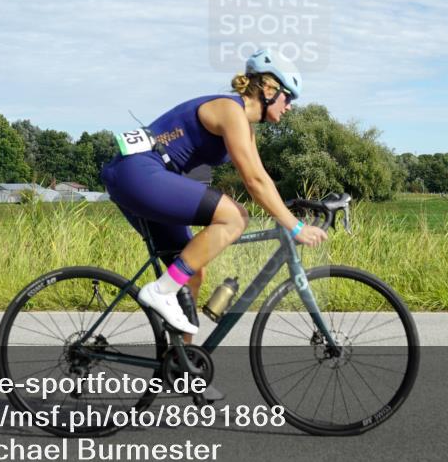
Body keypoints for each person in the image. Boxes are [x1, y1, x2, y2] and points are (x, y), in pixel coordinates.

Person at [100, 48, 328, 337]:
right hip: (139, 172)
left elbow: (263, 178)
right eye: (289, 97)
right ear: (269, 89)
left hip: (138, 175)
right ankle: (159, 292)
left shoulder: (245, 125)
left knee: (191, 271)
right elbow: (253, 182)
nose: (290, 106)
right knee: (235, 217)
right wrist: (295, 227)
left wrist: (290, 208)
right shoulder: (230, 111)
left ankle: (180, 367)